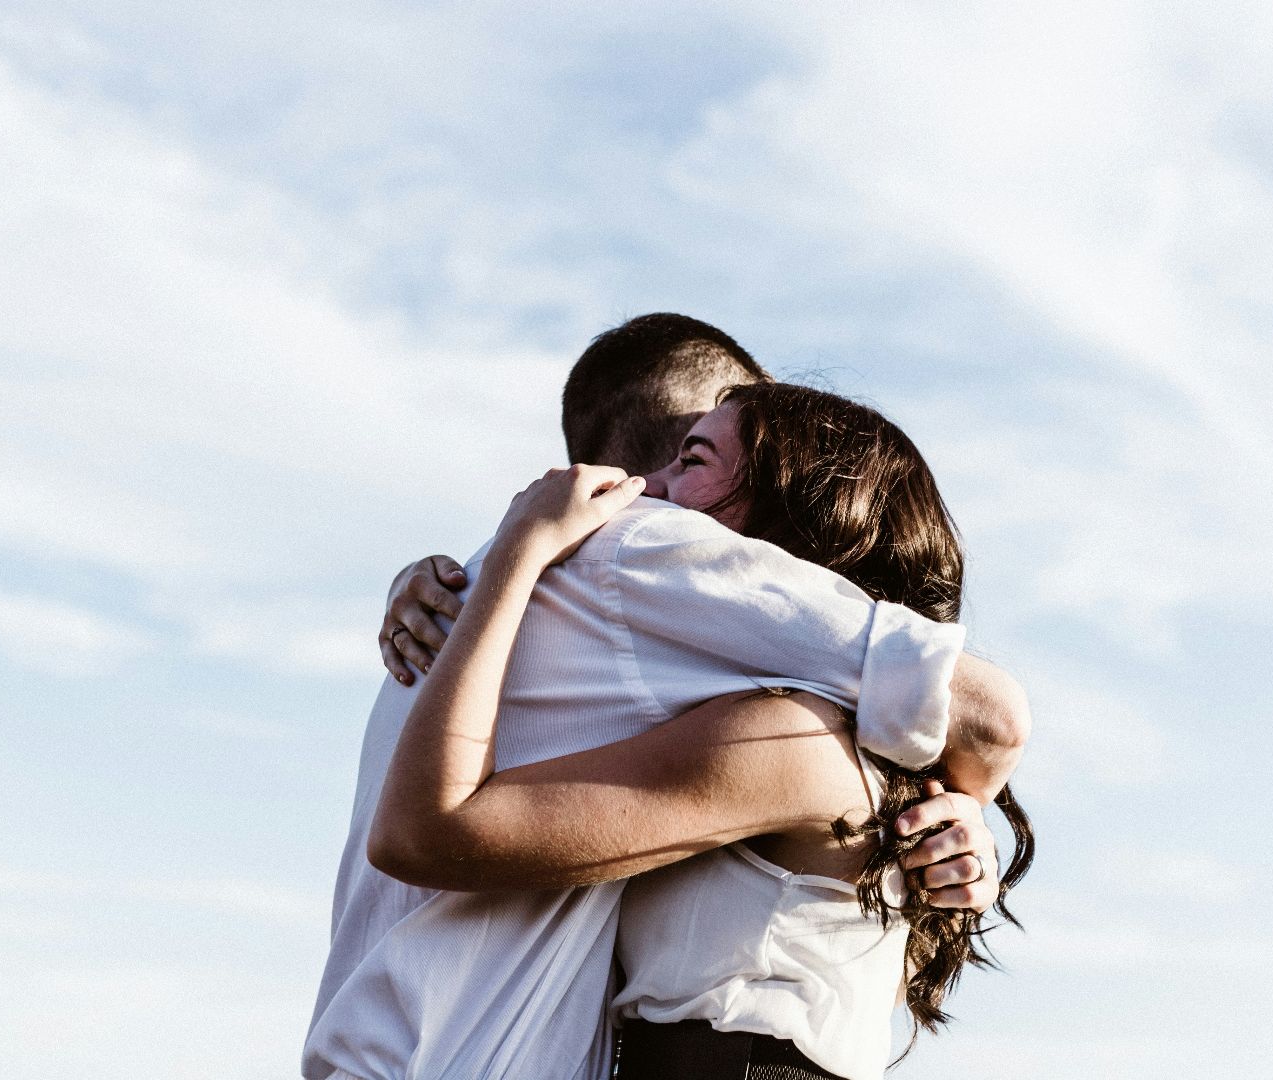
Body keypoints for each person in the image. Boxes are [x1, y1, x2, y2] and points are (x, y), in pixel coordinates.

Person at [303, 315, 1031, 1080]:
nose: (648, 495)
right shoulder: (640, 571)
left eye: (697, 461)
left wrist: (960, 805)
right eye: (687, 450)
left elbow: (988, 715)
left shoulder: (789, 732)